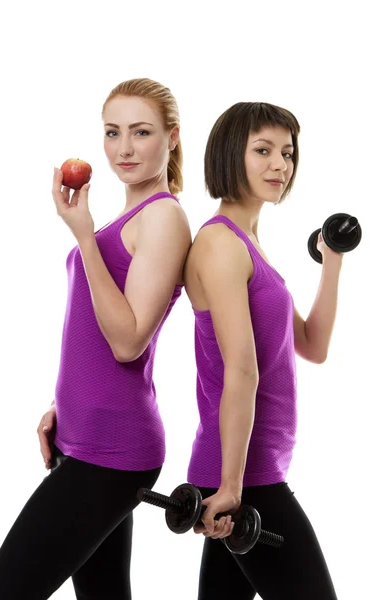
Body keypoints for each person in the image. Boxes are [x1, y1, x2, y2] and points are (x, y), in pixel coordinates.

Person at [0, 77, 191, 599]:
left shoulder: (164, 219)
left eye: (141, 132)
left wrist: (83, 233)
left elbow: (127, 342)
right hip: (84, 436)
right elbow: (91, 332)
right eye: (112, 131)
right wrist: (63, 403)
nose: (124, 148)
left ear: (171, 138)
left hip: (114, 447)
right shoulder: (132, 217)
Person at [184, 102, 339, 599]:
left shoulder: (249, 244)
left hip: (253, 467)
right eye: (263, 150)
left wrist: (331, 264)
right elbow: (242, 371)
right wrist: (230, 488)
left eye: (287, 153)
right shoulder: (220, 244)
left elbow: (312, 346)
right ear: (232, 154)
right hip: (246, 475)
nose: (280, 165)